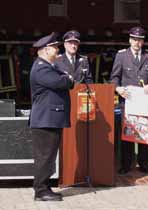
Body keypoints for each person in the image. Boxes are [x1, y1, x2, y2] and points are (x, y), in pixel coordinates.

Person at [29, 33, 74, 201]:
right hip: (44, 120)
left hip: (49, 119)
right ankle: (40, 191)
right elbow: (62, 82)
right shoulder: (41, 67)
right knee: (45, 156)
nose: (58, 50)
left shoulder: (50, 66)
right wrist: (67, 78)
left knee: (48, 156)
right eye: (55, 47)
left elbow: (64, 79)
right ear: (47, 50)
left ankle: (45, 186)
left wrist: (66, 78)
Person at [110, 26, 148, 174]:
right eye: (135, 40)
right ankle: (126, 164)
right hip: (128, 99)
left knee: (144, 131)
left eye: (140, 40)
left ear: (143, 42)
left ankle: (143, 163)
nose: (137, 43)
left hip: (144, 100)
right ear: (130, 40)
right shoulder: (121, 56)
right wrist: (118, 89)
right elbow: (114, 77)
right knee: (127, 133)